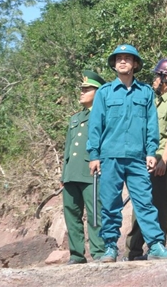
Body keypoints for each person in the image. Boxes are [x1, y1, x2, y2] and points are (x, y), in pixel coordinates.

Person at [87, 44, 167, 262]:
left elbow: (152, 125)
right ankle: (110, 248)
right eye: (119, 59)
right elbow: (95, 125)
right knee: (111, 204)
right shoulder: (104, 93)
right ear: (114, 65)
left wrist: (152, 151)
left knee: (145, 202)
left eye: (127, 58)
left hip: (137, 158)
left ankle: (155, 245)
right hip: (110, 157)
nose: (122, 61)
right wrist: (94, 155)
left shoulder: (145, 92)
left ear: (135, 64)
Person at [125, 58, 167, 260]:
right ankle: (133, 251)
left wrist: (164, 161)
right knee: (142, 203)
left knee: (158, 204)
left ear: (165, 78)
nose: (153, 80)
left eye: (156, 76)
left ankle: (157, 246)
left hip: (161, 161)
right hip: (150, 160)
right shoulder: (157, 101)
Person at [61, 70, 107, 264]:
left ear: (98, 92)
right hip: (71, 173)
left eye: (87, 89)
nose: (82, 92)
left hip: (91, 172)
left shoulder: (103, 115)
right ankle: (76, 254)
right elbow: (68, 148)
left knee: (95, 213)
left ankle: (99, 252)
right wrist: (64, 174)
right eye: (82, 89)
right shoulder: (75, 118)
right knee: (72, 214)